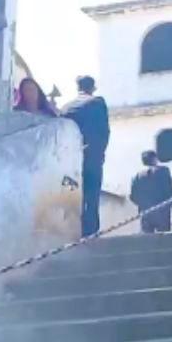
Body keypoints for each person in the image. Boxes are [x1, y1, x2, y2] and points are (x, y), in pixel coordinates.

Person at [59, 75, 110, 238]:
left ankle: (75, 233)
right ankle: (91, 233)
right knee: (92, 197)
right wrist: (100, 152)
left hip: (71, 162)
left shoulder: (66, 108)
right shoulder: (97, 102)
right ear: (93, 87)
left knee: (74, 197)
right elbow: (104, 131)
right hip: (92, 158)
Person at [130, 150, 172, 234]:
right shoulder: (163, 171)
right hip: (162, 210)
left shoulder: (136, 176)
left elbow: (132, 196)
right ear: (154, 159)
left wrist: (143, 205)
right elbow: (169, 190)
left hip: (145, 212)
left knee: (147, 240)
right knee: (164, 239)